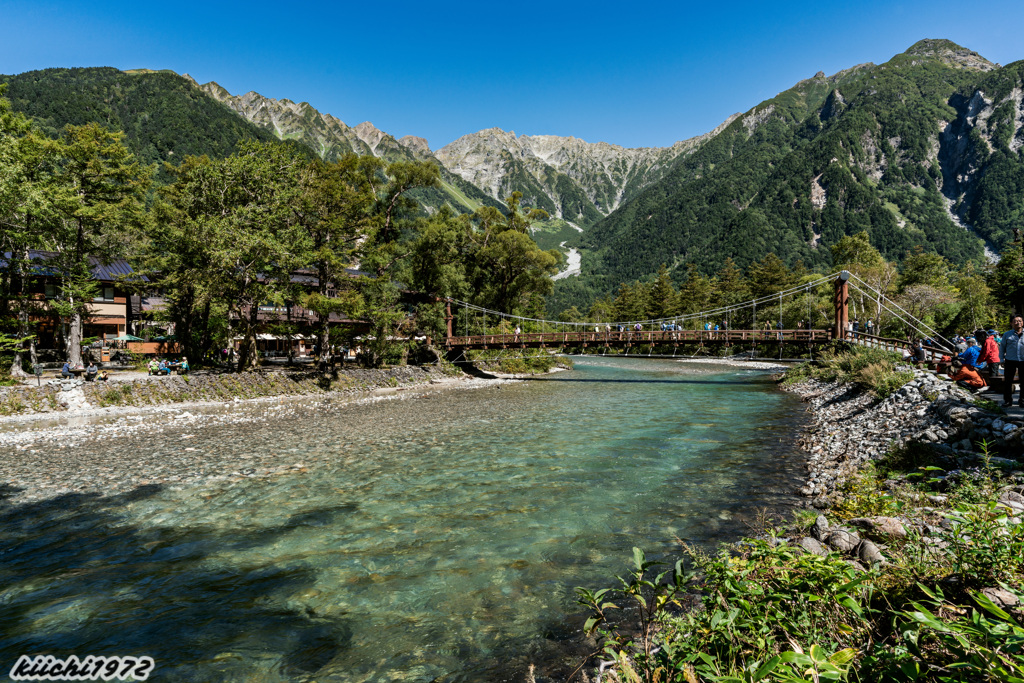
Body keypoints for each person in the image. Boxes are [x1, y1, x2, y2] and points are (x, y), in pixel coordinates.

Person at [1000, 314, 1024, 408]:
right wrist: (1001, 359)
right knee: (1008, 382)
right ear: (1011, 323)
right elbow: (1002, 347)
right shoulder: (1007, 334)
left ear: (1023, 322)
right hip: (1010, 360)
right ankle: (1007, 400)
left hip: (1023, 361)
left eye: (1020, 321)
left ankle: (1022, 400)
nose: (1018, 322)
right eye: (1015, 321)